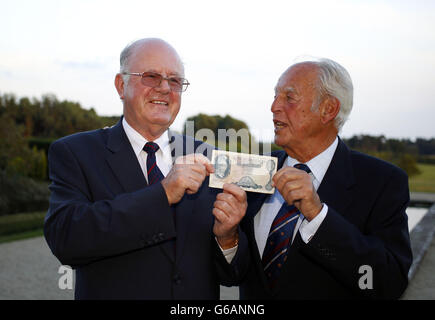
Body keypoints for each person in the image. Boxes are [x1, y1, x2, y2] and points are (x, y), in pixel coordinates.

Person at [44, 38, 248, 299]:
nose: (164, 88)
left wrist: (228, 238)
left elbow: (235, 275)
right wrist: (162, 194)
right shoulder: (76, 152)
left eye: (174, 81)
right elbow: (66, 240)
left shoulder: (208, 157)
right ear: (121, 85)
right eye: (151, 77)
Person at [237, 58, 412, 299]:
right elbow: (231, 273)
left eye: (289, 97)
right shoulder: (256, 168)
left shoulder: (383, 182)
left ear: (328, 109)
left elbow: (385, 284)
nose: (274, 106)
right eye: (275, 96)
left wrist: (318, 216)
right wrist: (225, 238)